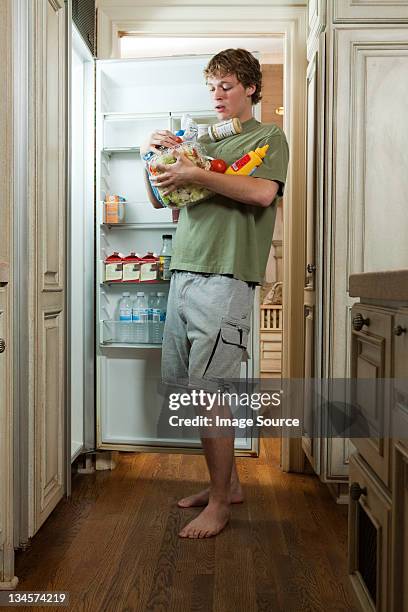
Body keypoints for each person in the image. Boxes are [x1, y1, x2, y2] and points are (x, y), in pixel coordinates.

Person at [140, 48, 289, 539]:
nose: (217, 95)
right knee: (193, 391)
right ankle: (228, 484)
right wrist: (155, 155)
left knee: (212, 395)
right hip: (184, 269)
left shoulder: (268, 136)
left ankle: (220, 504)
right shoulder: (200, 140)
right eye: (212, 87)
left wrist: (194, 173)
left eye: (226, 85)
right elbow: (162, 196)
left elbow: (262, 194)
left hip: (226, 276)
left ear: (249, 87)